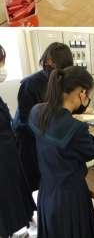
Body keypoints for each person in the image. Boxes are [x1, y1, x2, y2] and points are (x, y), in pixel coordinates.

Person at [28, 66, 94, 238]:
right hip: (70, 199)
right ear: (82, 93)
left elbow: (56, 130)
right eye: (89, 95)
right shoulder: (77, 129)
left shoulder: (36, 112)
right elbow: (92, 150)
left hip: (46, 192)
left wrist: (71, 118)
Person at [13, 42, 73, 192]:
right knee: (35, 180)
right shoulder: (30, 84)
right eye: (50, 63)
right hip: (30, 139)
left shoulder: (62, 80)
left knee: (51, 177)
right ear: (46, 61)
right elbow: (26, 120)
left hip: (48, 136)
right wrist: (50, 131)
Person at [0, 45, 36, 238]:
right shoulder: (29, 84)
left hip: (8, 153)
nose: (3, 68)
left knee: (13, 195)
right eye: (1, 63)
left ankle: (12, 230)